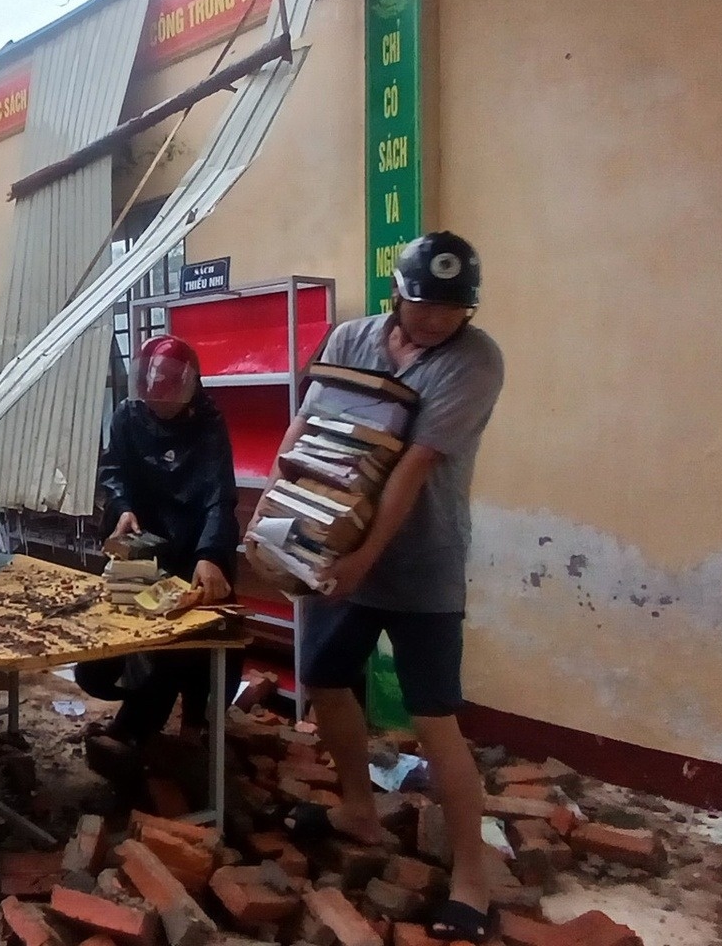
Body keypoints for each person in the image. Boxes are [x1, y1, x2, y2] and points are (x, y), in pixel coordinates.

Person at [269, 231, 505, 943]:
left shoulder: (474, 361)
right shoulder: (350, 339)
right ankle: (357, 810)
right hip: (330, 548)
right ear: (397, 294)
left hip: (419, 561)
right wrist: (281, 512)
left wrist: (364, 560)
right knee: (327, 679)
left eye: (451, 309)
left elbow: (413, 468)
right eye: (423, 303)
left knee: (433, 715)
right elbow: (305, 431)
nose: (435, 320)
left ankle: (472, 879)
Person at [77, 335, 240, 790]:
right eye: (152, 400)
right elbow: (115, 471)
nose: (159, 408)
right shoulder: (130, 416)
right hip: (145, 547)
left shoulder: (208, 424)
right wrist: (123, 506)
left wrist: (211, 555)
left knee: (197, 644)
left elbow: (217, 497)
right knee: (111, 654)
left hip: (197, 546)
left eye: (168, 401)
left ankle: (191, 729)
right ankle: (142, 716)